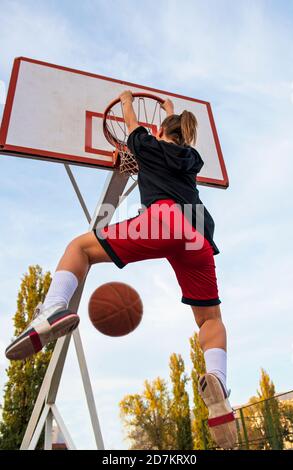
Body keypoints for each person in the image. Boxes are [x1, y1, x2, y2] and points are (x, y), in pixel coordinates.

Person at [5, 91, 236, 448]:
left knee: (79, 248)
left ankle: (51, 310)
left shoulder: (146, 145)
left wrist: (127, 100)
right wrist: (171, 112)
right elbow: (177, 135)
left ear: (157, 132)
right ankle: (218, 381)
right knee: (210, 319)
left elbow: (132, 124)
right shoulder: (192, 158)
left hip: (163, 220)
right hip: (198, 234)